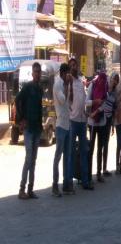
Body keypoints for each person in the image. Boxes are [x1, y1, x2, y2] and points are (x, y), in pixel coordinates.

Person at [16, 62, 43, 199]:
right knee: (28, 159)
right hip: (28, 129)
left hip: (37, 129)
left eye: (39, 72)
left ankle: (30, 189)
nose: (38, 74)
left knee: (34, 160)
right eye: (36, 71)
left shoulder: (40, 89)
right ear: (32, 73)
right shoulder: (27, 87)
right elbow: (17, 100)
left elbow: (39, 109)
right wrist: (21, 119)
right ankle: (21, 190)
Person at [68, 58, 92, 190]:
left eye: (75, 65)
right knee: (71, 153)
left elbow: (83, 100)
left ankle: (85, 181)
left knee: (83, 152)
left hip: (83, 121)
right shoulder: (68, 82)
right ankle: (69, 182)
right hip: (73, 121)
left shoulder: (80, 81)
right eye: (71, 65)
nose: (74, 67)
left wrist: (92, 104)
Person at [91, 73, 119, 178]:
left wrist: (112, 125)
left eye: (116, 80)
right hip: (100, 118)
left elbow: (113, 108)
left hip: (108, 120)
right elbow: (103, 104)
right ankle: (97, 172)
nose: (114, 81)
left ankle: (103, 168)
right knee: (98, 146)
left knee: (105, 145)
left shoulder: (114, 93)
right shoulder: (105, 89)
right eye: (113, 79)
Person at [52, 63, 72, 197]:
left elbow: (70, 101)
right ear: (63, 73)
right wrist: (66, 85)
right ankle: (55, 185)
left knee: (67, 156)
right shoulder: (58, 84)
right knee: (58, 156)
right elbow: (63, 99)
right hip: (60, 125)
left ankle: (66, 185)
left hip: (67, 123)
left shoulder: (66, 84)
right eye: (67, 74)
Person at [86, 72, 108, 183]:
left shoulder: (105, 87)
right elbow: (86, 102)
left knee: (100, 148)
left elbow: (105, 102)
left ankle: (99, 173)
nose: (102, 82)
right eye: (101, 80)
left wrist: (97, 111)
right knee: (91, 148)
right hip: (92, 122)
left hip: (101, 121)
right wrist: (95, 102)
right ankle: (89, 174)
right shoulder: (92, 85)